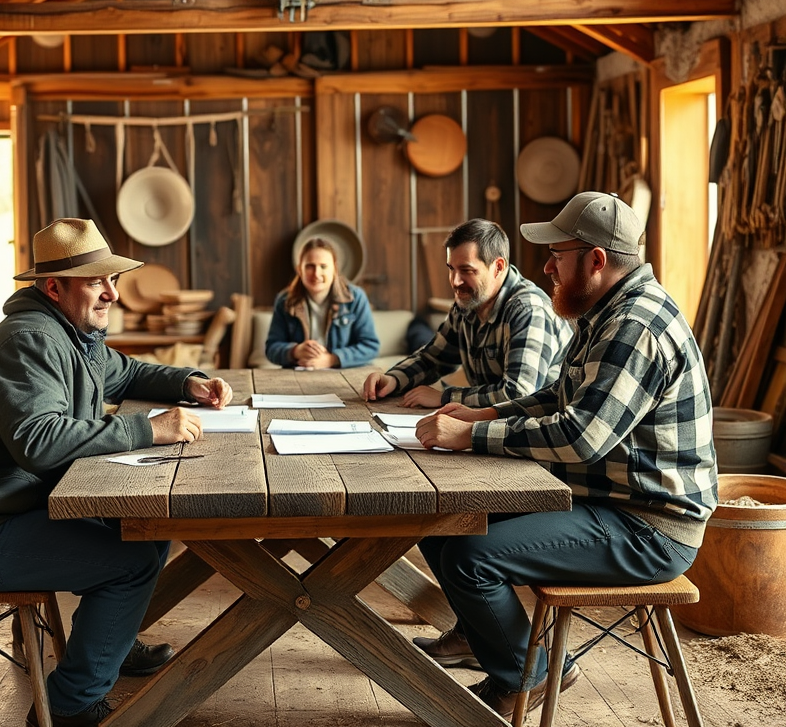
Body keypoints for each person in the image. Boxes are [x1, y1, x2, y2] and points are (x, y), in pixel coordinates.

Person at [0, 218, 233, 727]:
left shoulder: (73, 334)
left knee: (144, 527)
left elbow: (131, 372)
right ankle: (72, 705)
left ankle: (110, 646)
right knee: (133, 559)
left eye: (112, 280)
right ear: (54, 287)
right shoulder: (28, 342)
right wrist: (149, 430)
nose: (113, 294)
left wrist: (191, 382)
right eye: (98, 281)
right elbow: (39, 441)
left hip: (0, 510)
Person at [411, 192, 718, 721]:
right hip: (608, 501)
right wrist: (480, 416)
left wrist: (470, 439)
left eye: (558, 253)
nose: (546, 265)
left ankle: (529, 679)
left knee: (469, 556)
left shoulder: (634, 327)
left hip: (649, 527)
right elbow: (557, 396)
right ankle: (496, 650)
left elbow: (581, 437)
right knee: (443, 520)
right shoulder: (604, 313)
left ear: (596, 261)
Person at [363, 218, 572, 408]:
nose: (455, 281)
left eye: (466, 270)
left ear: (498, 267)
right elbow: (433, 358)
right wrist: (393, 379)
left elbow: (518, 394)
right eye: (451, 269)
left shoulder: (528, 310)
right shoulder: (469, 301)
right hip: (488, 422)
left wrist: (445, 397)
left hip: (536, 428)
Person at [265, 236, 379, 369]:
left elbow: (370, 346)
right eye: (310, 266)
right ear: (299, 270)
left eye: (323, 266)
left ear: (335, 269)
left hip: (342, 375)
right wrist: (295, 351)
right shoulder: (284, 300)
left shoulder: (355, 298)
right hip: (297, 375)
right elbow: (271, 348)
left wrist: (332, 359)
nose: (317, 274)